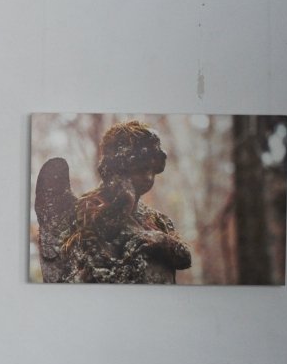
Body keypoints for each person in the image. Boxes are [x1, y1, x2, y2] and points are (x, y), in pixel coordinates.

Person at [36, 120, 191, 284]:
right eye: (141, 169)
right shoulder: (82, 213)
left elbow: (184, 259)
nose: (149, 178)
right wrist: (123, 202)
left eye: (153, 170)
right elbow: (83, 272)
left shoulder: (159, 221)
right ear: (118, 169)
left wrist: (161, 241)